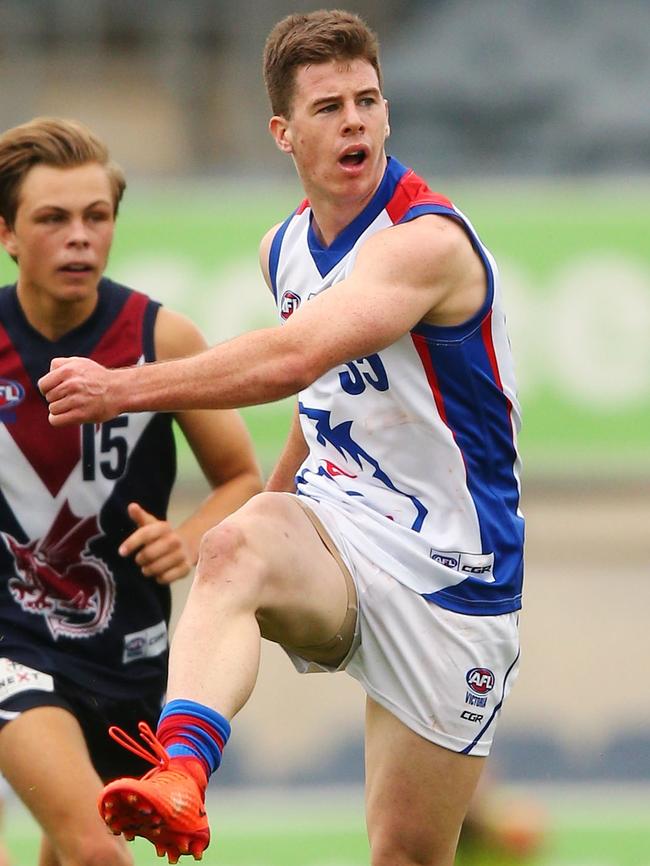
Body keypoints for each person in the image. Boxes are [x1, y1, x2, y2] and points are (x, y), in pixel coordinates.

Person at [39, 10, 525, 866]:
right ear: (283, 132)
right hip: (345, 532)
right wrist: (261, 521)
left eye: (368, 101)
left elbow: (297, 358)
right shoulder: (285, 249)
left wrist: (123, 387)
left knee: (407, 856)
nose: (356, 122)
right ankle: (180, 775)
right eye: (331, 106)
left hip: (458, 579)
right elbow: (323, 403)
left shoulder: (426, 243)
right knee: (233, 548)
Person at [0, 117, 262, 866]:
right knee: (96, 851)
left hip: (133, 658)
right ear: (8, 233)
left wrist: (188, 536)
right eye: (52, 218)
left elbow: (241, 476)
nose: (79, 236)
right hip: (14, 642)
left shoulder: (162, 340)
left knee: (71, 854)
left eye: (96, 217)